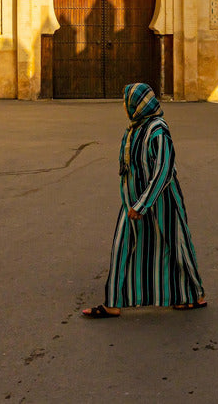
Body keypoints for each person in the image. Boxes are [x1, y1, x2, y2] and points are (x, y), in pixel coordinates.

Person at [82, 83, 206, 318]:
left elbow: (164, 170)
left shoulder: (158, 130)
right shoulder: (135, 127)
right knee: (122, 246)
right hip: (132, 201)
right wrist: (133, 202)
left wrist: (143, 204)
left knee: (176, 245)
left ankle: (193, 296)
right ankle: (113, 302)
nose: (124, 105)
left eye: (127, 100)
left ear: (138, 104)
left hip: (162, 201)